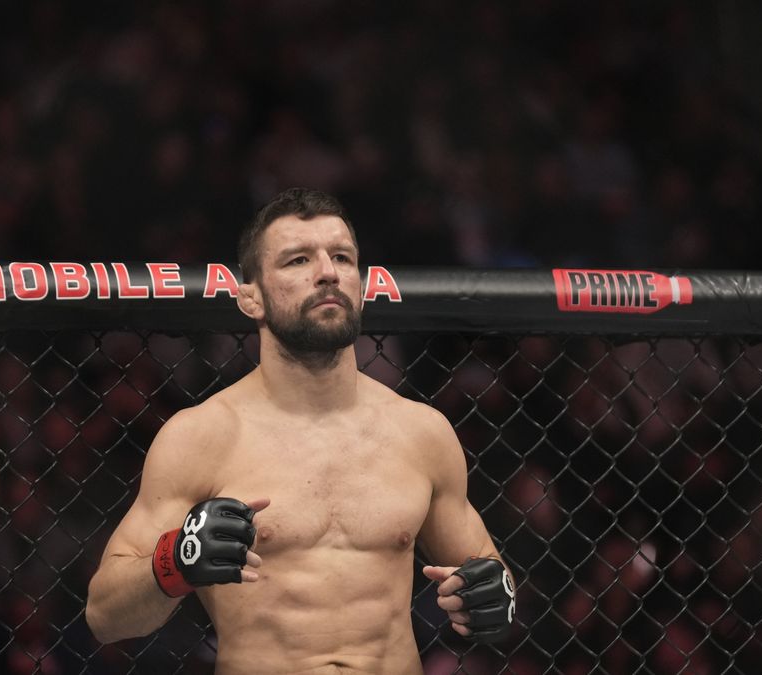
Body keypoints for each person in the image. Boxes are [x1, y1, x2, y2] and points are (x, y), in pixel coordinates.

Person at [85, 187, 516, 674]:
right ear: (251, 297)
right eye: (297, 260)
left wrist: (491, 597)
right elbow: (105, 616)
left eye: (342, 257)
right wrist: (175, 562)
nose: (328, 272)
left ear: (361, 284)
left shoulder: (421, 432)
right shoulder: (202, 437)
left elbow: (488, 571)